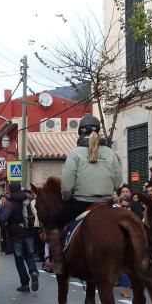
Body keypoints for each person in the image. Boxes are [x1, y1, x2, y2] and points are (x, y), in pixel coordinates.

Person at [44, 114, 121, 275]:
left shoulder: (75, 153)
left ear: (80, 132)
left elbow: (66, 187)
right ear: (99, 132)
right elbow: (118, 182)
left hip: (81, 203)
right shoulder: (110, 153)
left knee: (53, 223)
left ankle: (58, 262)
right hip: (107, 203)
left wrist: (66, 198)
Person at [3, 182, 40, 292]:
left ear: (10, 190)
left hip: (16, 234)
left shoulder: (10, 203)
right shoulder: (27, 200)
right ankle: (33, 271)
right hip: (29, 232)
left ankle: (25, 284)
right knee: (29, 255)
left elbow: (2, 217)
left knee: (19, 259)